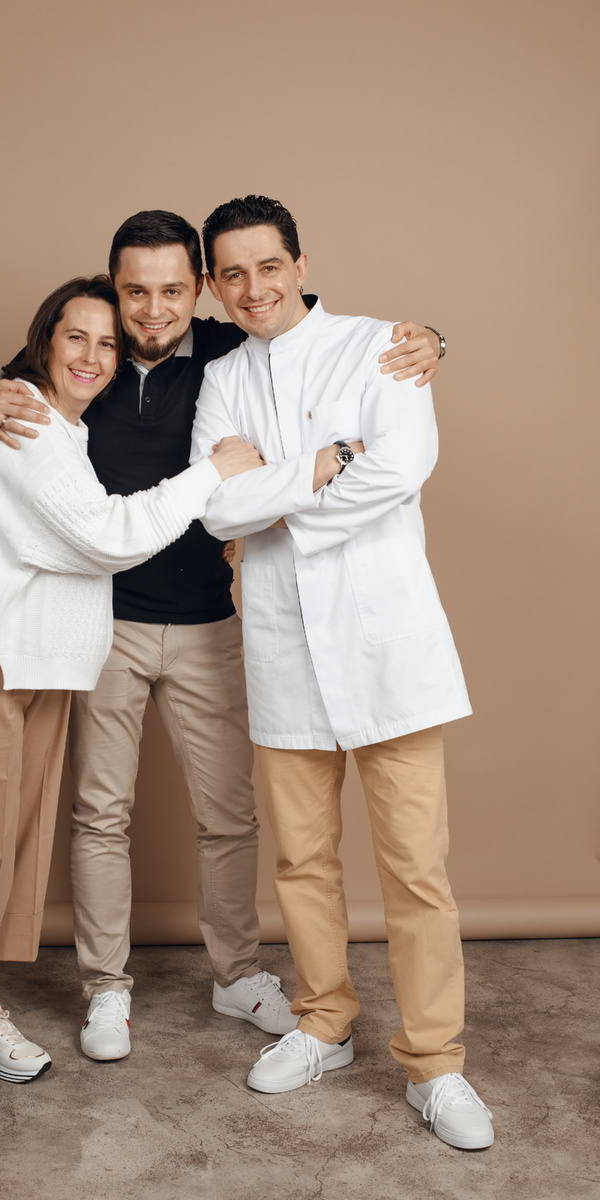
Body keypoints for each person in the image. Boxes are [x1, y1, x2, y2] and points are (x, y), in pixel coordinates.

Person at [0, 211, 446, 1063]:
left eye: (174, 289)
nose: (154, 308)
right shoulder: (81, 355)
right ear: (113, 287)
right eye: (136, 291)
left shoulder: (228, 348)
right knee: (100, 813)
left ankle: (236, 973)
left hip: (210, 621)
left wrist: (432, 341)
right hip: (103, 622)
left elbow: (307, 334)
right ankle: (106, 986)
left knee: (230, 814)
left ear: (199, 288)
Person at [0, 275, 262, 1084]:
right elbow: (108, 536)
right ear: (43, 342)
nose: (93, 355)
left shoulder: (65, 428)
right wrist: (213, 472)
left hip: (37, 662)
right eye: (76, 337)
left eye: (107, 343)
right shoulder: (23, 420)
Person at [190, 195, 494, 1151]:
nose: (253, 288)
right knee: (303, 861)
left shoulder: (382, 346)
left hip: (386, 648)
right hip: (283, 649)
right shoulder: (222, 378)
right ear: (214, 284)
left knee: (416, 867)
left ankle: (436, 1063)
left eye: (268, 266)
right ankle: (323, 1021)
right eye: (232, 273)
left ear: (300, 264)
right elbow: (216, 510)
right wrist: (322, 465)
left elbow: (403, 467)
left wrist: (276, 499)